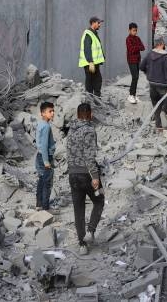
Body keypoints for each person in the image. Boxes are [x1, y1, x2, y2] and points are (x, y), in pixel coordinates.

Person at [66, 103, 104, 255]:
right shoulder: (89, 130)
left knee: (78, 209)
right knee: (99, 200)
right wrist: (95, 176)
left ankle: (82, 245)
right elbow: (89, 156)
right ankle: (91, 230)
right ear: (90, 114)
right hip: (86, 174)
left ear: (77, 114)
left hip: (73, 175)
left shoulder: (71, 130)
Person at [140, 38, 167, 132]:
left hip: (152, 84)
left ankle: (159, 126)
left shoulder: (149, 54)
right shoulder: (166, 57)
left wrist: (148, 73)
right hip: (163, 85)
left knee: (156, 105)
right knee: (166, 103)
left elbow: (141, 66)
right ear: (162, 44)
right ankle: (163, 112)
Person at [35, 101, 56, 210]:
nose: (52, 113)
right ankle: (46, 208)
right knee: (47, 183)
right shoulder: (46, 126)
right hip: (45, 156)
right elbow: (44, 145)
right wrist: (46, 161)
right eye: (50, 111)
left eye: (53, 111)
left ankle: (39, 205)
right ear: (43, 113)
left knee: (41, 181)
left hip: (39, 156)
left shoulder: (40, 124)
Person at [79, 17, 105, 97]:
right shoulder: (88, 34)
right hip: (89, 63)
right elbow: (87, 49)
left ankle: (96, 98)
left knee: (97, 81)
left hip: (94, 63)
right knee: (91, 81)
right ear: (93, 23)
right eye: (98, 23)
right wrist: (90, 62)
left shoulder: (93, 33)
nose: (99, 25)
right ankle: (90, 99)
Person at [126, 22, 146, 104]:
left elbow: (143, 47)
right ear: (129, 30)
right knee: (135, 77)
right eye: (133, 30)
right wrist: (138, 47)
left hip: (137, 60)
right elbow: (131, 50)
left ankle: (134, 95)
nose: (135, 32)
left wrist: (136, 47)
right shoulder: (128, 39)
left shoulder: (137, 38)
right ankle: (131, 95)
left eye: (136, 30)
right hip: (131, 61)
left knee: (136, 77)